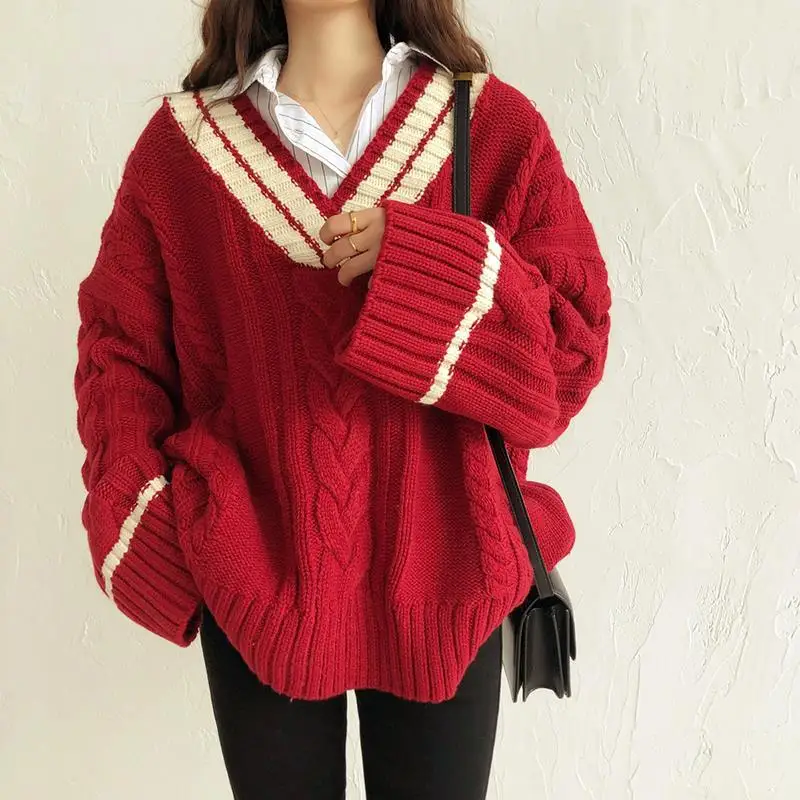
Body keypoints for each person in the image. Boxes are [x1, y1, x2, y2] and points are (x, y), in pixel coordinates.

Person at [73, 0, 612, 797]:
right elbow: (118, 355)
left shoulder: (492, 127)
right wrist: (163, 533)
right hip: (251, 585)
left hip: (452, 585)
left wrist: (425, 266)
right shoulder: (182, 151)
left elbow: (570, 356)